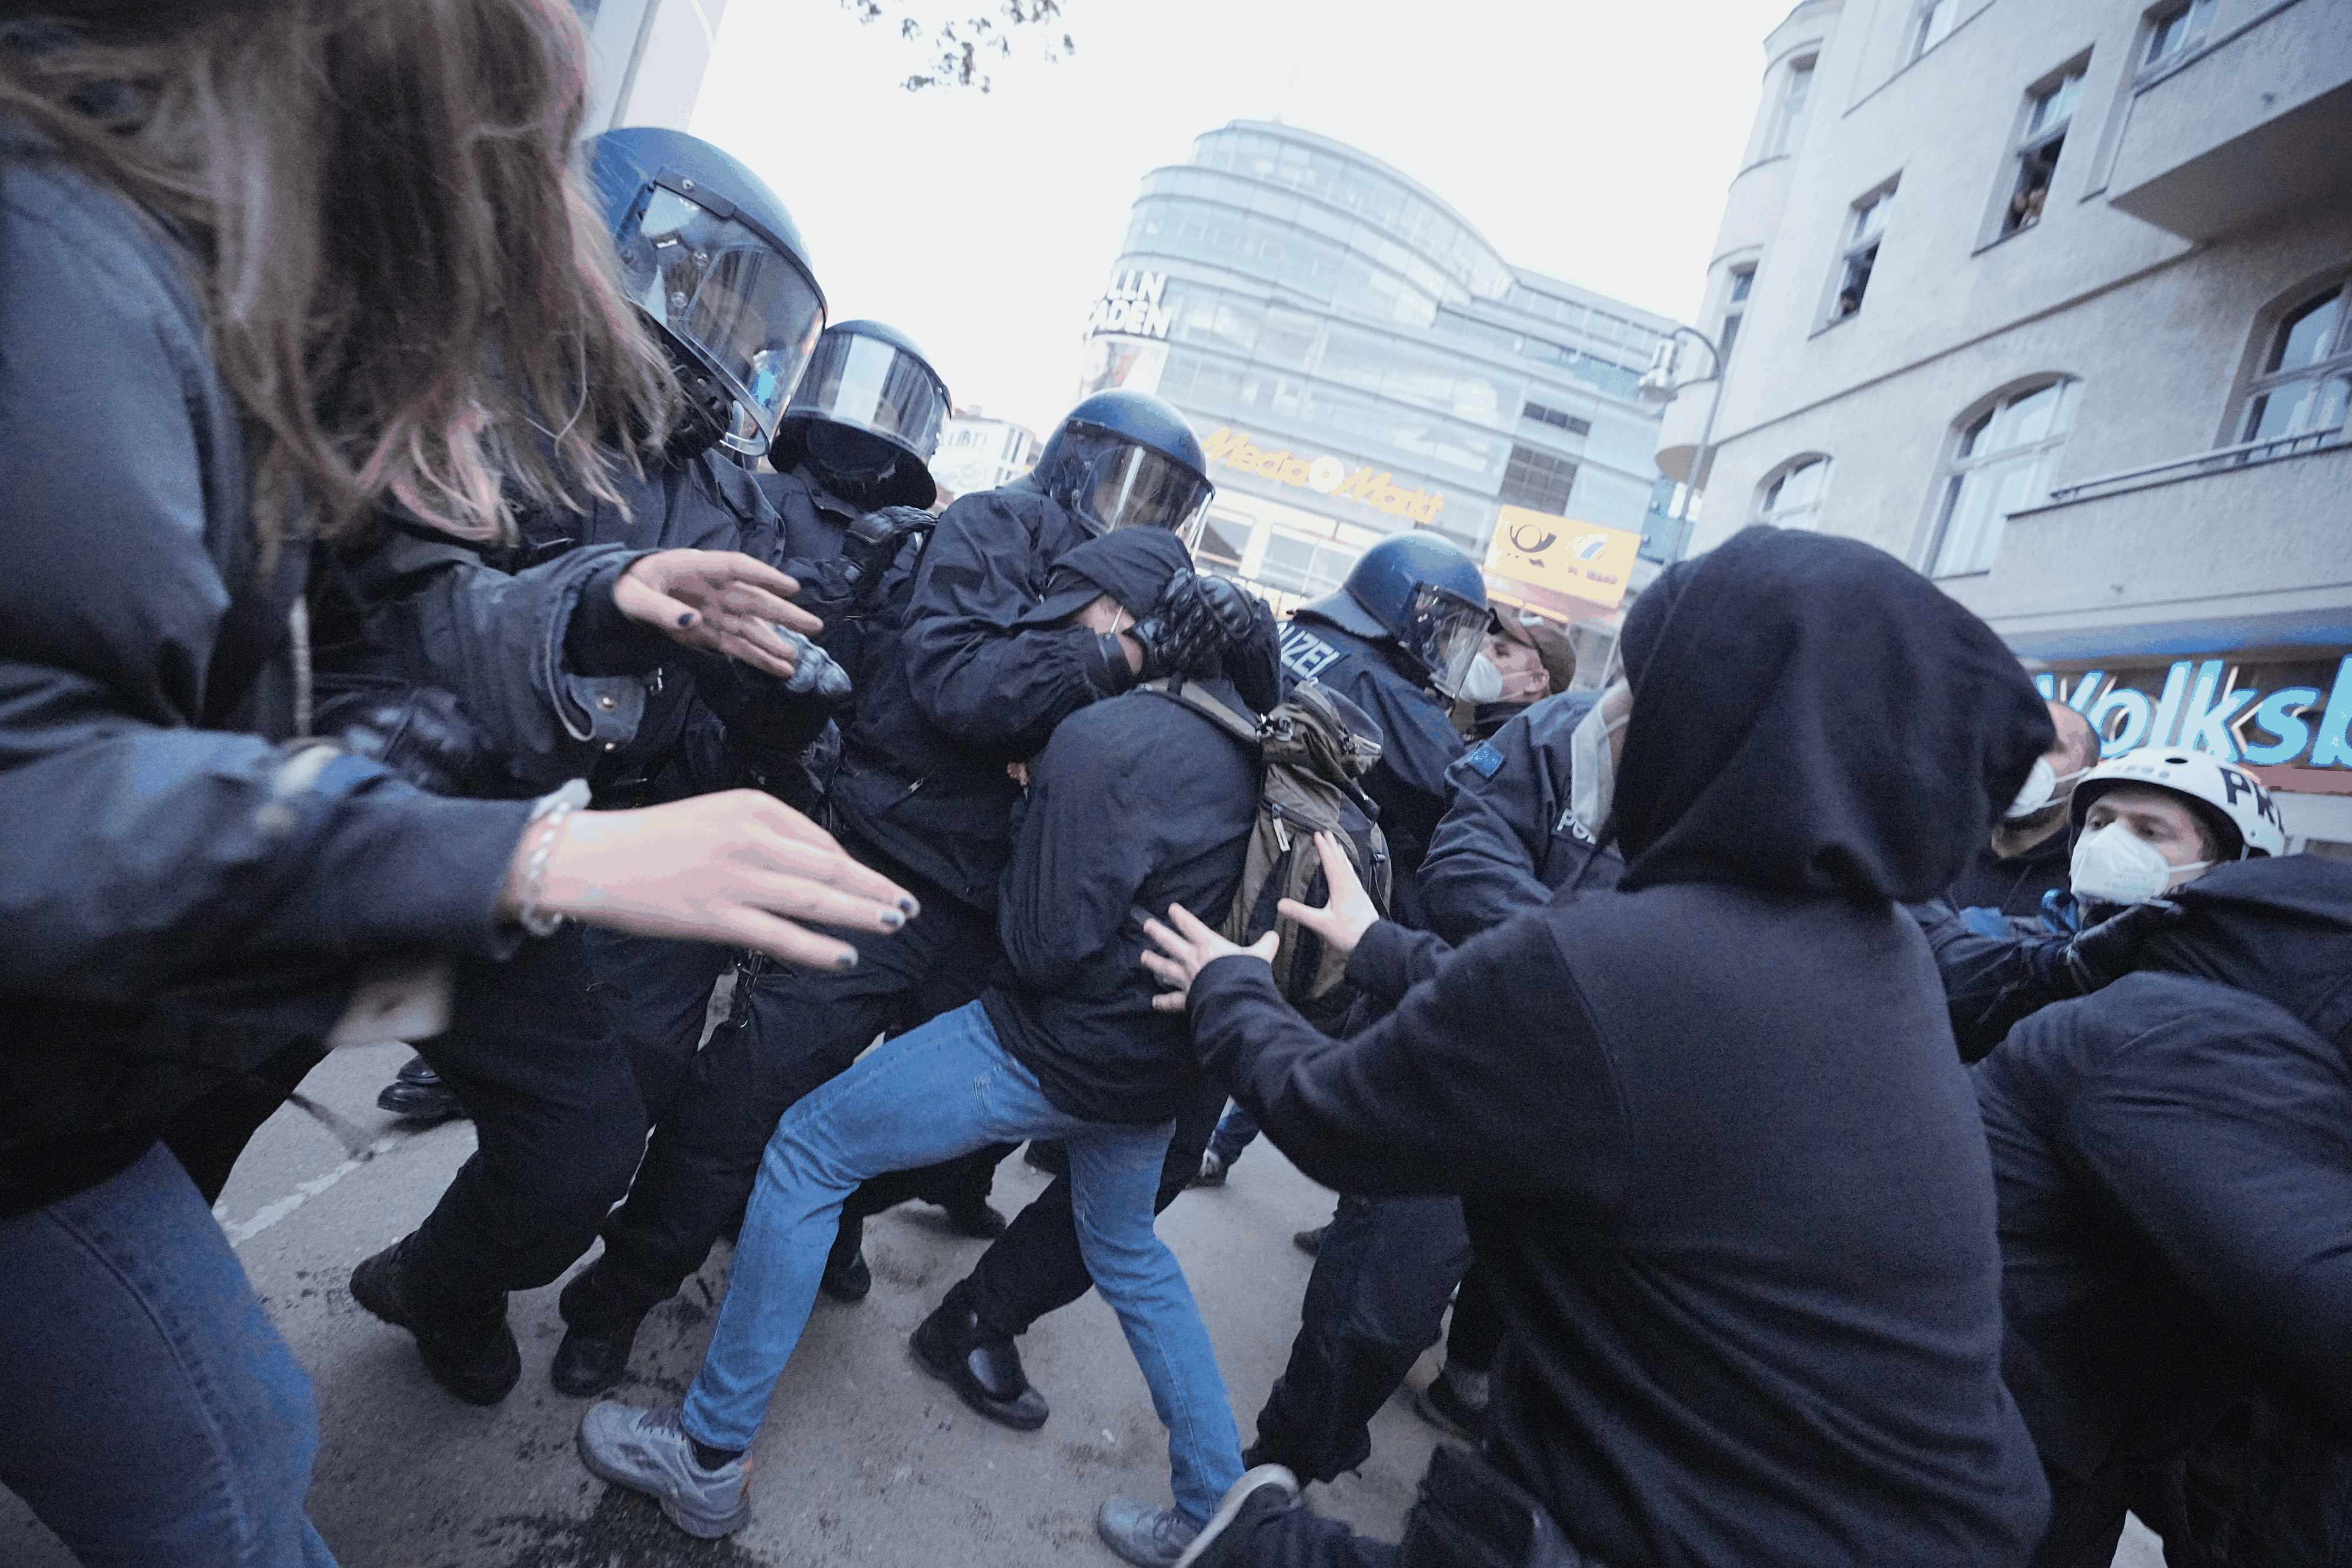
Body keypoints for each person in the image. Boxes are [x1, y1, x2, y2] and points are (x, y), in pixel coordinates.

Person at [0, 4, 910, 1564]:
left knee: (311, 1299)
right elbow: (50, 785)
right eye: (503, 136)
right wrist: (523, 856)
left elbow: (398, 588)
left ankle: (419, 1281)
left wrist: (600, 602)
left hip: (308, 903)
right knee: (225, 1431)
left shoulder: (265, 287)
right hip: (282, 898)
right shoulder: (75, 258)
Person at [1144, 526, 2053, 1568]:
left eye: (1642, 698)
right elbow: (1598, 1050)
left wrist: (1229, 987)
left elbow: (1329, 1113)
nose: (1612, 725)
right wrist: (1388, 947)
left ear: (1726, 723)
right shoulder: (1868, 953)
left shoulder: (1636, 960)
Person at [550, 386, 1265, 1396]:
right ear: (1071, 457)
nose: (1130, 505)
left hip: (1002, 913)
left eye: (1161, 495)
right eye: (1120, 476)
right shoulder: (996, 529)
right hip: (882, 865)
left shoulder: (1162, 587)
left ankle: (823, 1216)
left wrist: (1245, 644)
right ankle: (619, 1293)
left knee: (944, 1148)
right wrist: (1115, 650)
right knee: (747, 1089)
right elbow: (962, 687)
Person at [1972, 849, 2352, 1567]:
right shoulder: (2189, 1041)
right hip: (1957, 1468)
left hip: (2028, 1457)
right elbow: (2322, 1303)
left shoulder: (2227, 1041)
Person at [1920, 746, 2286, 1061]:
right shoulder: (2005, 936)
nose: (2106, 843)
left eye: (2149, 831)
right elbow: (1936, 960)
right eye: (2099, 823)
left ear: (2228, 868)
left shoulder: (2257, 989)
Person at [1274, 531, 1492, 932]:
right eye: (1444, 634)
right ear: (1412, 613)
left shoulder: (1285, 633)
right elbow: (1461, 802)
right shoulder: (1382, 688)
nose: (1443, 651)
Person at [1948, 698, 2101, 920]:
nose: (2022, 758)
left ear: (2087, 774)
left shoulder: (2088, 877)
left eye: (2047, 746)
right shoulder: (1942, 853)